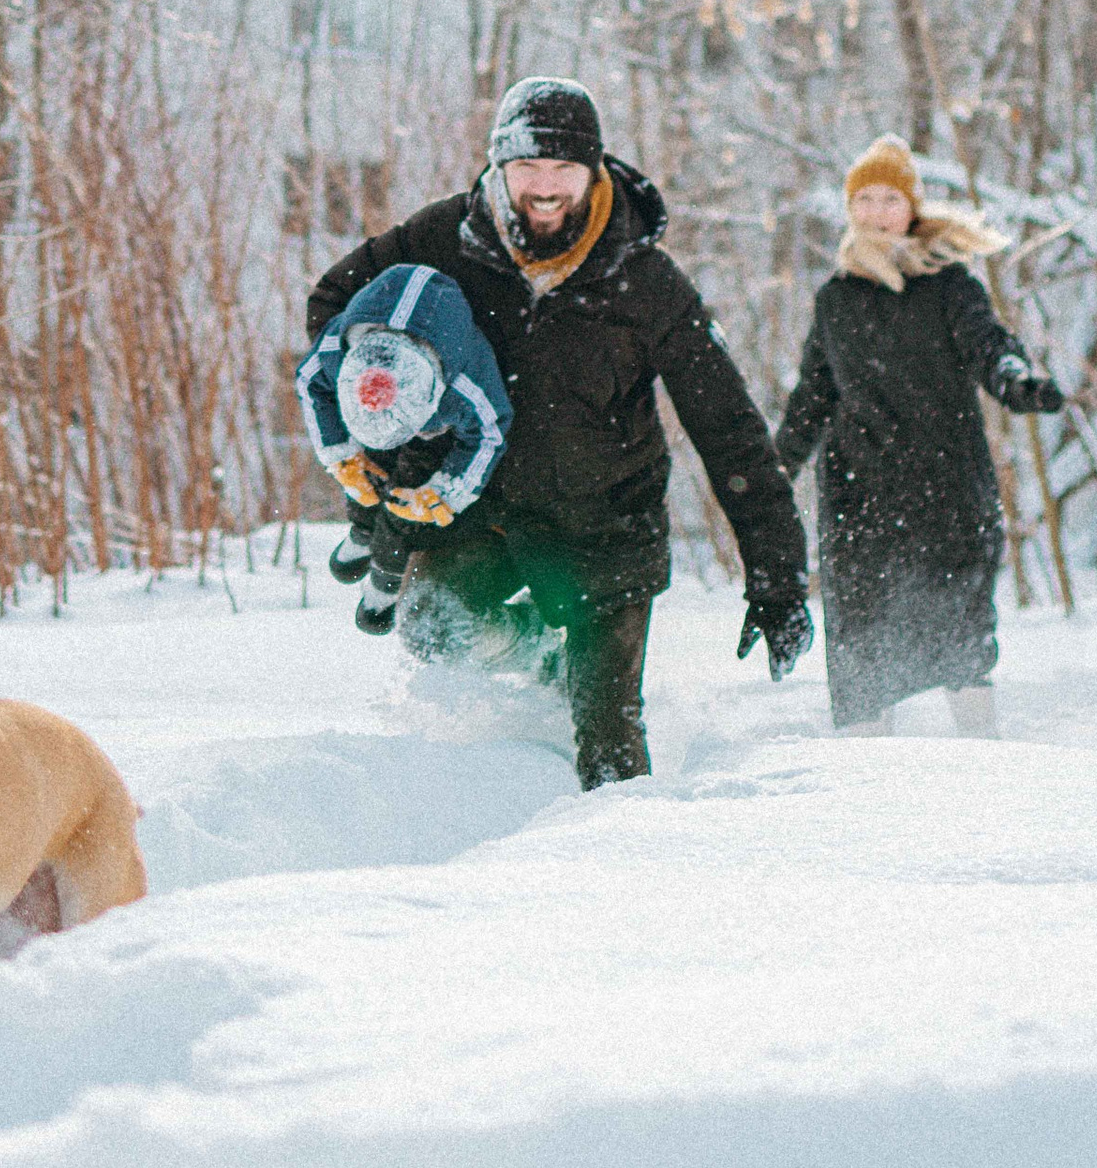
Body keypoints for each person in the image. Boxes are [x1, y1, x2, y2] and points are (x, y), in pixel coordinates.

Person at [306, 75, 813, 788]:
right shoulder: (442, 239)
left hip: (606, 527)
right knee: (434, 627)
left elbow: (727, 426)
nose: (545, 186)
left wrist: (777, 576)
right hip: (481, 510)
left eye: (563, 167)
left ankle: (623, 846)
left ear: (593, 169)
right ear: (499, 165)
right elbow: (335, 304)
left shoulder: (645, 279)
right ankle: (542, 658)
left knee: (607, 740)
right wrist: (393, 411)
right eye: (527, 166)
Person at [773, 135, 1063, 739]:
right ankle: (864, 776)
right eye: (865, 199)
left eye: (890, 199)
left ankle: (986, 761)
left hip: (945, 491)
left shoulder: (949, 286)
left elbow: (989, 346)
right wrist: (773, 471)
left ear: (912, 208)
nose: (877, 212)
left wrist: (1016, 381)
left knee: (961, 637)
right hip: (859, 500)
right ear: (850, 208)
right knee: (861, 648)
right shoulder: (836, 299)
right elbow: (814, 395)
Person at [295, 262, 512, 635]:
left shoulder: (467, 383)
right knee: (367, 470)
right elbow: (308, 381)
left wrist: (446, 492)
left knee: (408, 495)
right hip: (382, 397)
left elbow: (490, 432)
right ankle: (363, 529)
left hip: (437, 427)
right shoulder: (336, 352)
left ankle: (385, 580)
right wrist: (341, 455)